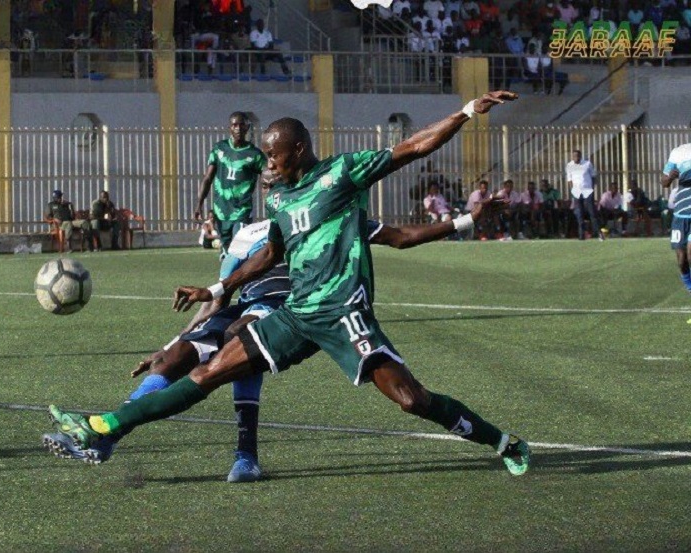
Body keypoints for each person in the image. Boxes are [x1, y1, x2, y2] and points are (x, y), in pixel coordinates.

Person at [47, 91, 531, 478]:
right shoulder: (279, 202)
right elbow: (270, 256)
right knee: (209, 372)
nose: (268, 164)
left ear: (297, 150)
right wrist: (216, 290)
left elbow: (413, 150)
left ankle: (503, 442)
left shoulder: (342, 175)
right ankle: (103, 425)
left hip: (345, 314)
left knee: (412, 401)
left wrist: (467, 112)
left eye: (273, 155)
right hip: (297, 314)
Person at [194, 112, 266, 254]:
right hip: (221, 211)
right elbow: (208, 178)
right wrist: (199, 204)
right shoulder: (219, 149)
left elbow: (269, 177)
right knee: (226, 252)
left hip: (242, 211)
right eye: (234, 125)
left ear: (247, 127)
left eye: (242, 125)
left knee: (239, 249)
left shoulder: (255, 154)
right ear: (230, 128)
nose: (238, 128)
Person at [566, 149, 604, 241]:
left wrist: (592, 188)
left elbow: (593, 176)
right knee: (579, 213)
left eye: (578, 156)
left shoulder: (587, 164)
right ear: (572, 157)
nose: (576, 158)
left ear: (581, 156)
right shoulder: (569, 165)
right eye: (574, 156)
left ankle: (598, 233)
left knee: (592, 212)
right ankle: (581, 234)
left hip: (587, 191)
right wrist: (572, 190)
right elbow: (569, 179)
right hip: (577, 192)